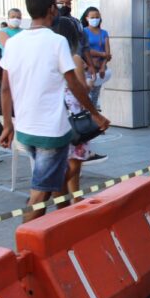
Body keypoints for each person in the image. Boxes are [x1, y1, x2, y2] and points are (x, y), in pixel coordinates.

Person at [0, 0, 109, 223]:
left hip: (25, 129)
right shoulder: (57, 41)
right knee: (40, 194)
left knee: (57, 177)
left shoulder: (14, 43)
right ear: (51, 8)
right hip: (51, 132)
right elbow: (75, 85)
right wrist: (95, 115)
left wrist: (7, 125)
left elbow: (5, 87)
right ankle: (25, 245)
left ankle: (58, 226)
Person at [52, 17, 91, 198]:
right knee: (75, 161)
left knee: (67, 158)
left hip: (55, 113)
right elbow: (80, 88)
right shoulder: (74, 58)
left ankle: (74, 196)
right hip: (75, 115)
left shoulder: (49, 55)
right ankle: (53, 193)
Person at [80, 7, 112, 109]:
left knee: (95, 95)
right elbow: (85, 50)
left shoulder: (104, 33)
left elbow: (108, 53)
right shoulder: (83, 32)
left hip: (100, 69)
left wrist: (103, 66)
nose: (95, 19)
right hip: (88, 68)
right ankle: (85, 117)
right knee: (86, 94)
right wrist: (102, 54)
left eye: (97, 17)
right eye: (92, 17)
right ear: (86, 18)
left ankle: (93, 119)